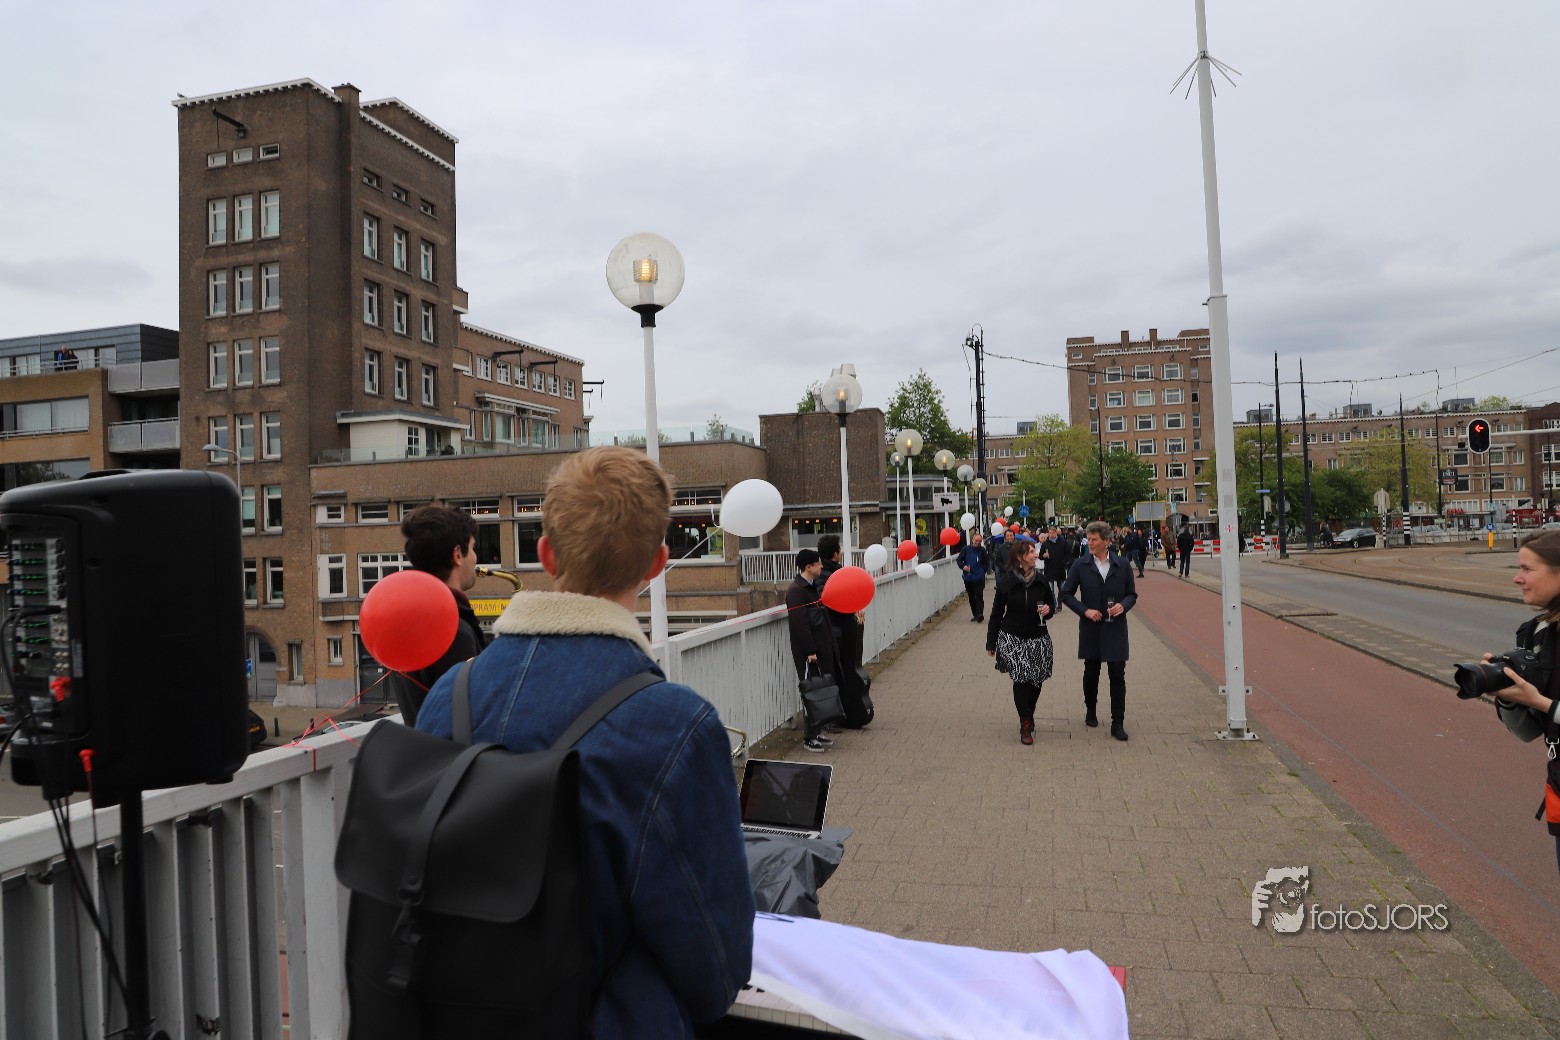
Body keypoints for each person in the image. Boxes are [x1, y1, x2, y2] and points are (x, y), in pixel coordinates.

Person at [414, 447, 754, 1037]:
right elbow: (716, 971)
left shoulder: (451, 694)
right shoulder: (675, 724)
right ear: (657, 563)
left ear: (546, 553)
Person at [1483, 531, 1560, 877]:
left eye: (1528, 569)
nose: (1518, 578)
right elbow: (1529, 732)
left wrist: (1541, 701)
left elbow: (1545, 707)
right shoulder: (1539, 634)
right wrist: (1510, 698)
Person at [385, 504, 487, 727]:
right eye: (472, 548)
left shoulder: (408, 620)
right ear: (458, 555)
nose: (475, 558)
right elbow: (468, 718)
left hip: (423, 745)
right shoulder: (453, 631)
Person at [1060, 520, 1138, 741]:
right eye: (1089, 539)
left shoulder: (1122, 565)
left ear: (1107, 541)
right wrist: (1085, 610)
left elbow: (1132, 594)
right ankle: (1091, 709)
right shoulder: (1080, 565)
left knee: (1117, 675)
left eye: (1094, 539)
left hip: (1115, 628)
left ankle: (1117, 723)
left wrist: (1123, 606)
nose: (1090, 543)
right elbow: (1065, 594)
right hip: (1091, 628)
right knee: (1091, 672)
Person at [986, 538, 1056, 745]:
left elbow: (1051, 606)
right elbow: (996, 614)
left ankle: (1029, 711)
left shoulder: (1042, 580)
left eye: (1035, 551)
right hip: (1012, 636)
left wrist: (1048, 610)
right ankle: (1025, 722)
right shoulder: (1006, 582)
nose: (1035, 555)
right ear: (1020, 557)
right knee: (1021, 678)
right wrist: (991, 642)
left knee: (1036, 680)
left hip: (1038, 636)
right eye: (1031, 552)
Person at [787, 548, 842, 752]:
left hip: (820, 647)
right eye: (818, 563)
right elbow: (799, 624)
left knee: (820, 689)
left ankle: (817, 731)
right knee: (811, 691)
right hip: (809, 652)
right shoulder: (796, 591)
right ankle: (809, 737)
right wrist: (810, 650)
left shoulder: (810, 587)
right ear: (808, 567)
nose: (821, 566)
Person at [817, 533, 867, 723]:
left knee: (844, 670)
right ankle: (836, 714)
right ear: (835, 553)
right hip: (834, 630)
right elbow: (828, 602)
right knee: (836, 672)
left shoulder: (833, 573)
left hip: (842, 628)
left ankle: (844, 709)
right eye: (839, 549)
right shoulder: (826, 576)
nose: (841, 552)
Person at [958, 530, 990, 622]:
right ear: (973, 540)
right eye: (976, 540)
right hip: (968, 577)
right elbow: (959, 560)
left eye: (979, 541)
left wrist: (982, 571)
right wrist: (963, 566)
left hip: (979, 577)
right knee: (971, 596)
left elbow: (986, 562)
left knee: (979, 595)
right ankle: (975, 614)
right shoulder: (966, 549)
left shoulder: (982, 550)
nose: (978, 542)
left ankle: (980, 614)